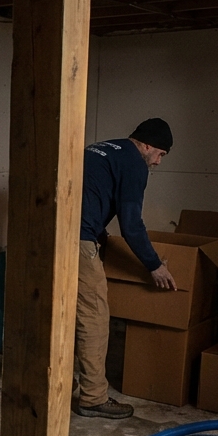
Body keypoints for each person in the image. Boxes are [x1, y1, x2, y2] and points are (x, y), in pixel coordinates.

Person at [74, 118, 177, 420]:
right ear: (146, 145)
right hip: (77, 241)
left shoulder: (101, 148)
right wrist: (154, 265)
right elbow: (131, 224)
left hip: (50, 234)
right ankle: (93, 398)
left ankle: (62, 385)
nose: (157, 162)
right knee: (93, 317)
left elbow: (87, 196)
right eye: (160, 154)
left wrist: (100, 235)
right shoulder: (135, 162)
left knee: (61, 311)